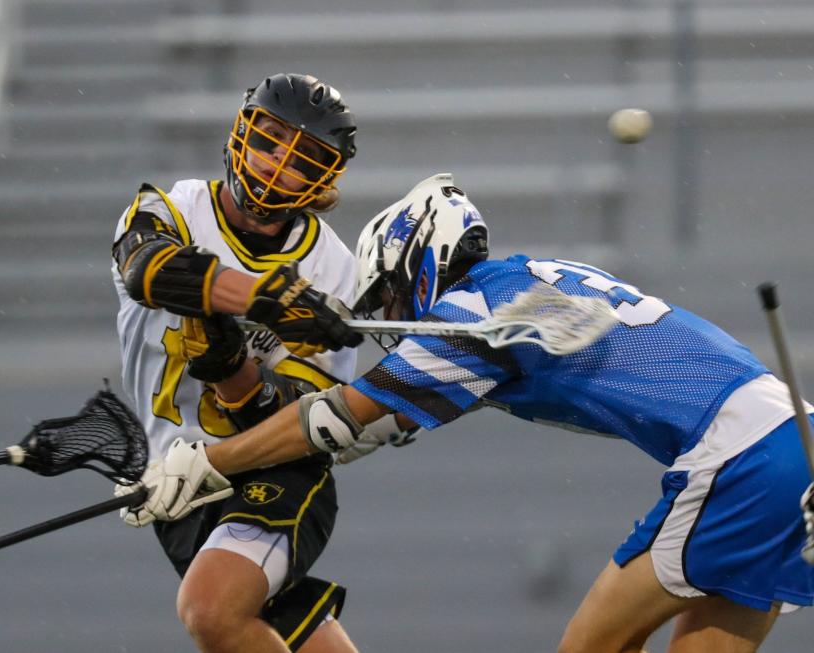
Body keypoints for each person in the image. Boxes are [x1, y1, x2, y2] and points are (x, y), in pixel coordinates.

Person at [132, 172, 814, 653]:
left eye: (394, 301)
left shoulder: (471, 312)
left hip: (743, 459)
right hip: (794, 438)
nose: (397, 322)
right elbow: (371, 425)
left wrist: (203, 463)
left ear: (420, 258)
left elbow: (337, 417)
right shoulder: (526, 282)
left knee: (594, 644)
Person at [108, 73, 409, 653]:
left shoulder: (335, 273)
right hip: (177, 479)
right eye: (269, 142)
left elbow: (305, 429)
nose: (275, 165)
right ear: (240, 134)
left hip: (271, 471)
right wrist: (264, 299)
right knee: (288, 634)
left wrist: (233, 373)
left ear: (323, 181)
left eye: (301, 159)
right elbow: (148, 271)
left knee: (210, 610)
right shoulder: (167, 207)